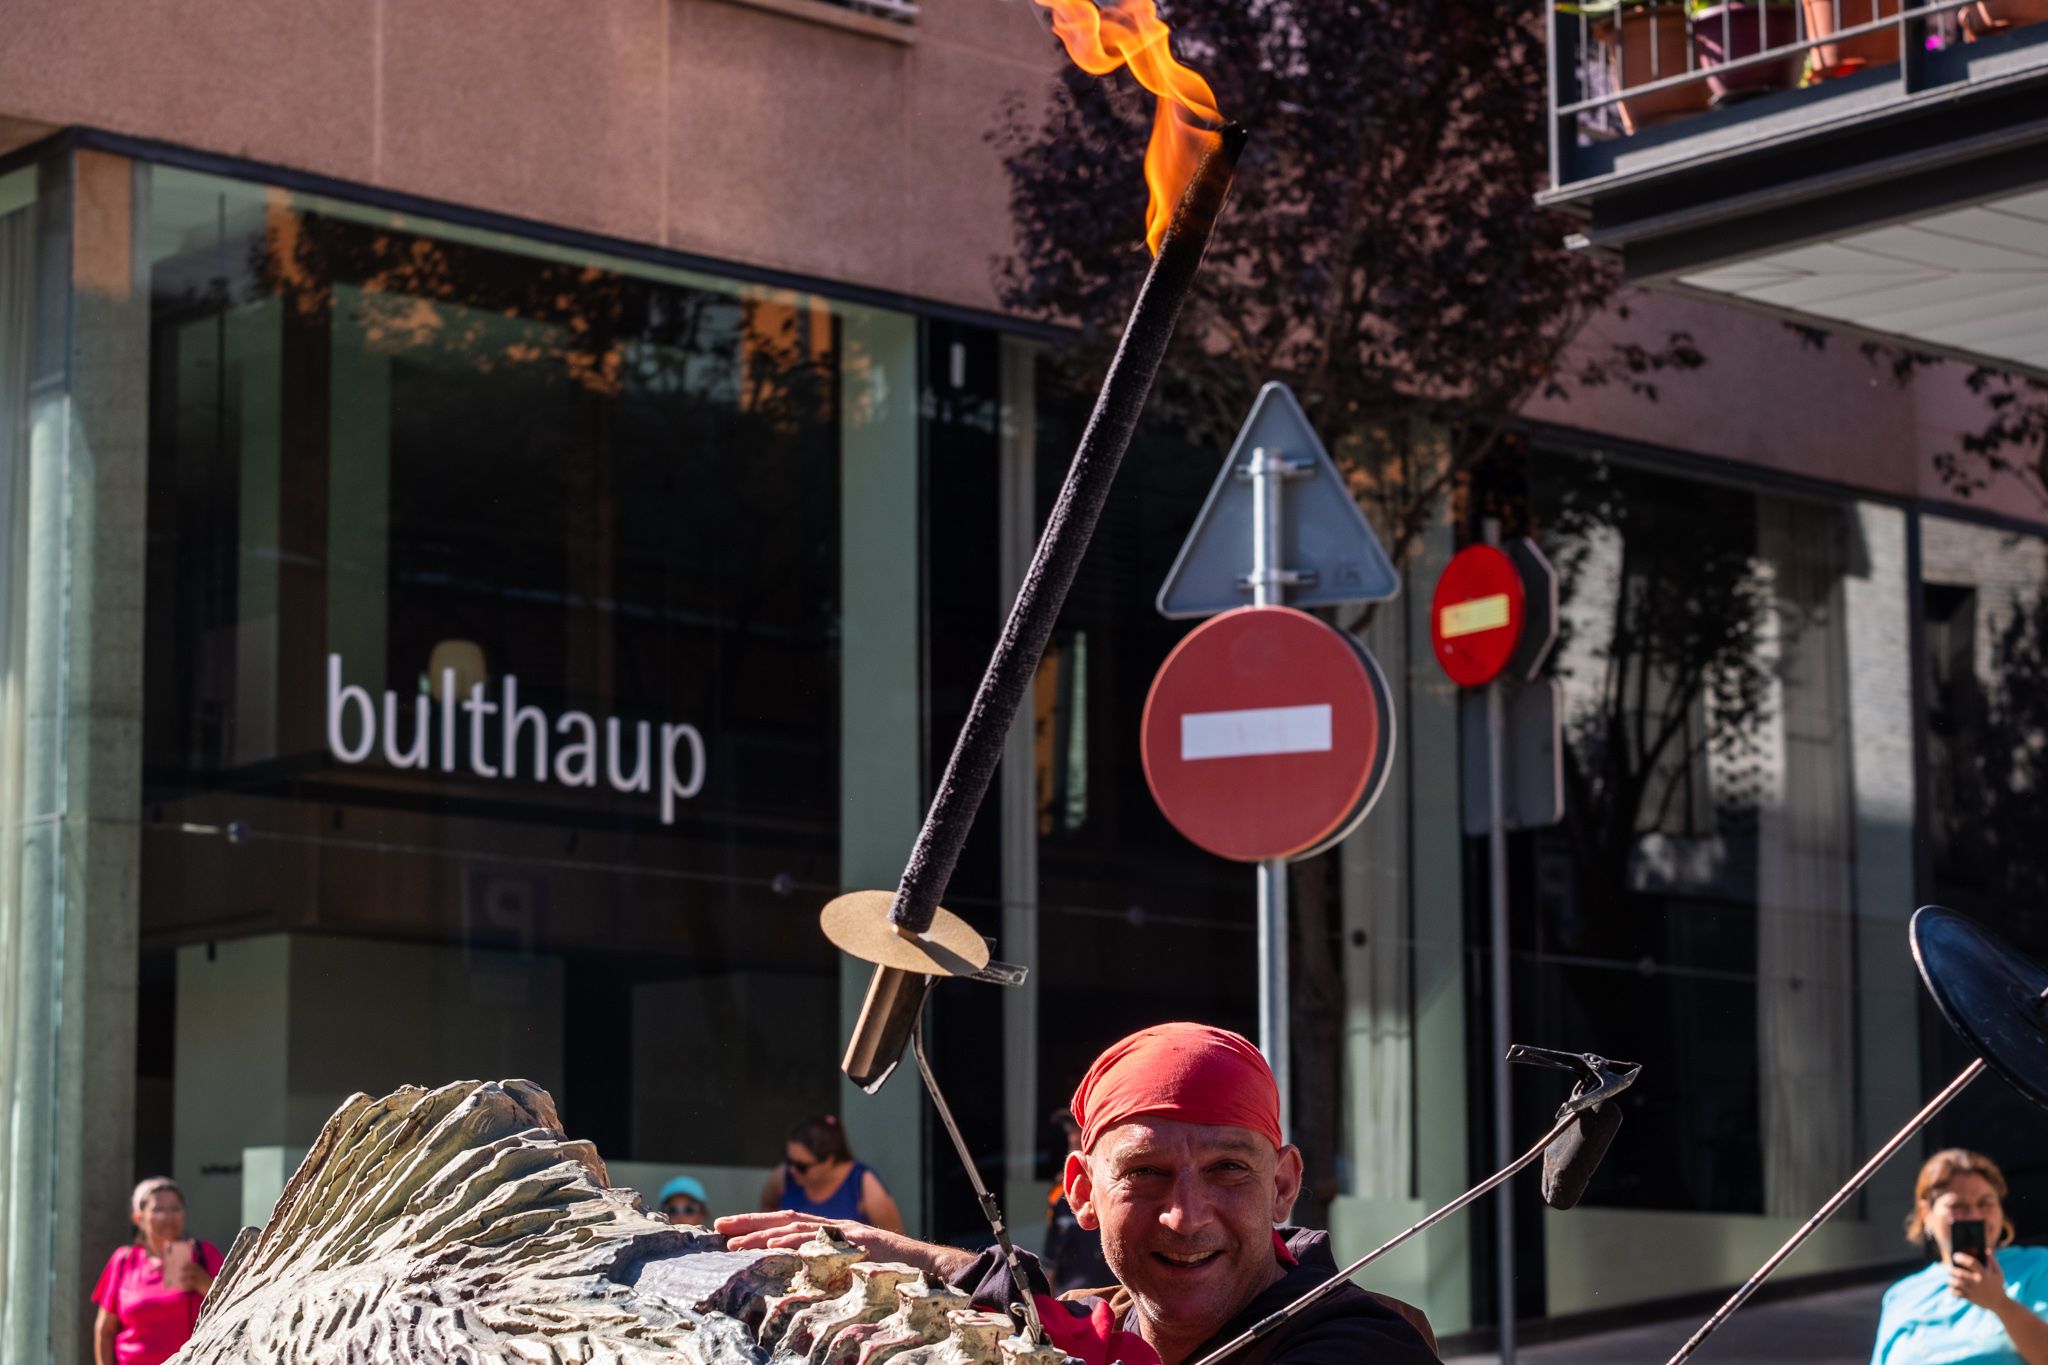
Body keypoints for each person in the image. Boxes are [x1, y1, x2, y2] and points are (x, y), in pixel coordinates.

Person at [721, 1023, 1439, 1365]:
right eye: (1145, 1171)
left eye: (1228, 1169)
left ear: (1284, 1183)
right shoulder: (1106, 1315)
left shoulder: (1364, 1346)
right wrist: (915, 1267)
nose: (1185, 1214)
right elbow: (1058, 1321)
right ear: (1081, 1191)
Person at [1871, 1148, 2048, 1365]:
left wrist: (2000, 1303)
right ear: (1926, 1213)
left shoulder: (2038, 1266)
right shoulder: (1901, 1295)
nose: (1975, 1216)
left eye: (1985, 1203)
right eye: (1958, 1206)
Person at [93, 1176, 223, 1365]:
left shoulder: (205, 1255)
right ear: (139, 1218)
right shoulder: (123, 1261)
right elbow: (105, 1330)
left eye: (175, 1208)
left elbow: (237, 1310)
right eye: (158, 1209)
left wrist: (206, 1285)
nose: (168, 1216)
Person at [755, 1113, 904, 1234]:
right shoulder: (784, 1176)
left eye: (802, 1166)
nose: (792, 1169)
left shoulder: (864, 1184)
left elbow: (894, 1241)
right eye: (789, 1160)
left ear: (829, 1161)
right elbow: (767, 1207)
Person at [1044, 1107, 1113, 1294]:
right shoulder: (1059, 1196)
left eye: (1079, 1146)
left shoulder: (1114, 1192)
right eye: (1071, 1146)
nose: (1074, 1153)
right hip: (1071, 1298)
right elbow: (1050, 1256)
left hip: (1113, 1295)